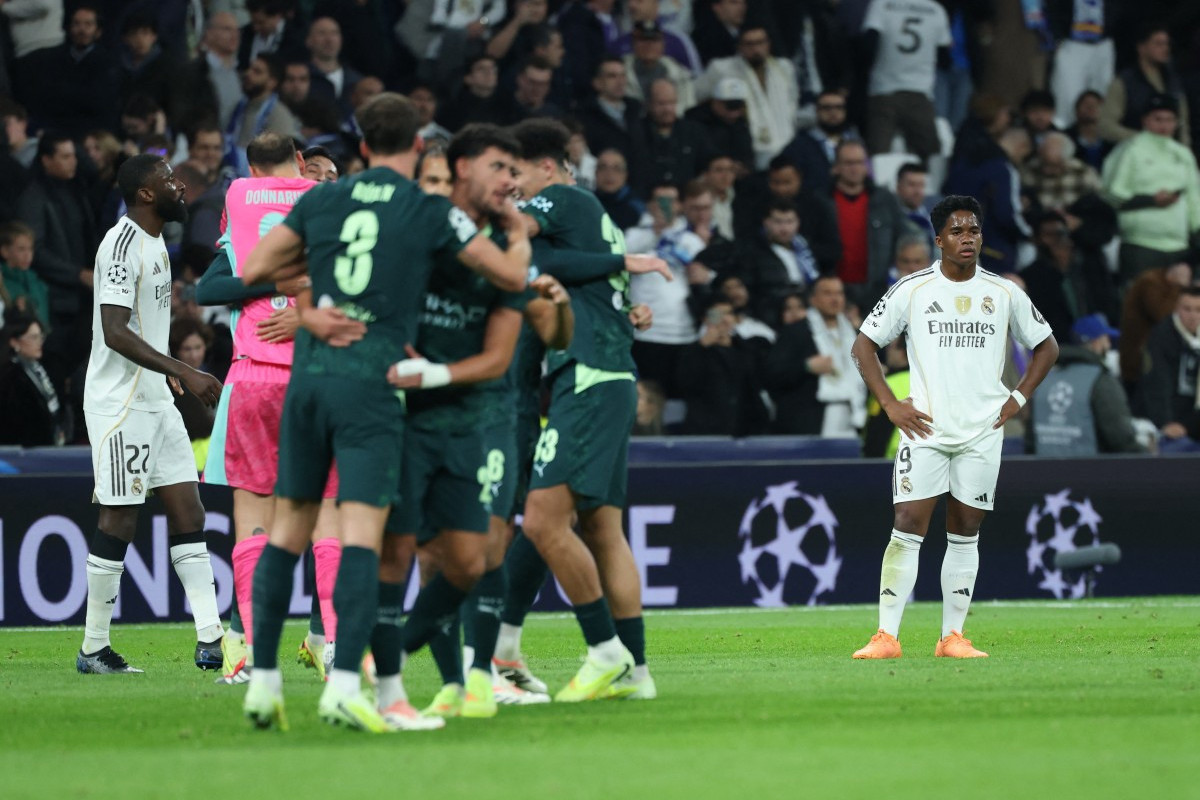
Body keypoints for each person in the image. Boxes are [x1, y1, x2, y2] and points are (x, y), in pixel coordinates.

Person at [237, 93, 529, 733]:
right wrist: (519, 230)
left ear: (362, 146)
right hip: (370, 386)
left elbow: (254, 268)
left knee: (286, 532)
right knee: (361, 540)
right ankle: (346, 684)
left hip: (308, 380)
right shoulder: (426, 210)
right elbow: (508, 277)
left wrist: (310, 311)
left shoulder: (320, 198)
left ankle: (262, 680)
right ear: (419, 145)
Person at [380, 125, 577, 718]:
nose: (437, 190)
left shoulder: (506, 245)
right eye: (430, 181)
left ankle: (476, 672)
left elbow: (552, 331)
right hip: (418, 415)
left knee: (487, 546)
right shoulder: (422, 241)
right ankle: (452, 682)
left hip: (497, 411)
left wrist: (561, 310)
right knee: (430, 555)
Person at [850, 195, 1058, 660]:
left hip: (982, 430)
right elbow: (864, 345)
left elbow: (1047, 348)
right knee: (907, 523)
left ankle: (952, 637)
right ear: (939, 239)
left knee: (965, 528)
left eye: (975, 231)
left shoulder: (1003, 293)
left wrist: (1018, 397)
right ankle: (886, 636)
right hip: (924, 427)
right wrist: (889, 404)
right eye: (959, 232)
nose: (968, 239)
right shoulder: (913, 289)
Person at [510, 118, 651, 701]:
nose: (512, 188)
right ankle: (637, 673)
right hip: (612, 373)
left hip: (588, 377)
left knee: (543, 520)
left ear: (546, 168)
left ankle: (606, 652)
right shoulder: (597, 220)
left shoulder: (561, 198)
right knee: (601, 529)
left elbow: (516, 240)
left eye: (515, 173)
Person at [195, 133, 343, 686]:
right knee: (328, 517)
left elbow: (209, 289)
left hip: (254, 377)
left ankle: (256, 658)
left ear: (250, 168)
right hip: (318, 377)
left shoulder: (237, 200)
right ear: (302, 163)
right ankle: (334, 650)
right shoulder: (330, 205)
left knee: (252, 521)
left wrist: (269, 285)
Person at [77, 154, 227, 675]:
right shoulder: (120, 246)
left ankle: (212, 640)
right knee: (119, 516)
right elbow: (116, 331)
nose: (179, 185)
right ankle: (94, 647)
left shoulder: (159, 241)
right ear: (145, 194)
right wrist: (185, 369)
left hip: (157, 399)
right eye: (168, 179)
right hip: (120, 404)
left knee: (189, 510)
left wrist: (170, 376)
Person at [1101, 94, 1200, 285]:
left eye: (1170, 120)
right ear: (1145, 120)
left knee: (1179, 306)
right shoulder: (1130, 150)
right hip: (1140, 244)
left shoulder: (1183, 154)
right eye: (1158, 119)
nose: (1164, 125)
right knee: (1140, 304)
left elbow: (1194, 199)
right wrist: (1151, 200)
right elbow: (1111, 195)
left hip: (1179, 245)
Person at [1030, 314, 1145, 455]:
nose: (1108, 345)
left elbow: (1031, 440)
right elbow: (1121, 437)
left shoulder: (1044, 379)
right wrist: (1148, 455)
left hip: (1043, 473)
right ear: (1096, 342)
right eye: (1106, 340)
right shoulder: (1100, 381)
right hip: (1089, 474)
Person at [859, 0, 950, 160]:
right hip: (920, 91)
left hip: (884, 89)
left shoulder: (882, 4)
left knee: (879, 154)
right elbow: (944, 57)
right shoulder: (936, 10)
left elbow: (869, 44)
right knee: (928, 155)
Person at [1137, 287, 1200, 452]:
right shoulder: (1161, 337)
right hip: (1168, 423)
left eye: (1198, 310)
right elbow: (1156, 384)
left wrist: (1190, 425)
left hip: (1192, 422)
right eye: (1187, 309)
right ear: (1177, 308)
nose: (1193, 315)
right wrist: (1166, 423)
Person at [1119, 261, 1192, 388]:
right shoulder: (1150, 282)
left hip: (1157, 363)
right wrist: (1179, 287)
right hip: (1142, 364)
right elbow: (1167, 318)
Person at [0, 314, 67, 446]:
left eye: (41, 336)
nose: (39, 342)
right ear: (15, 342)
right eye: (33, 337)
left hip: (48, 444)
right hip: (23, 452)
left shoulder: (40, 368)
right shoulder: (9, 376)